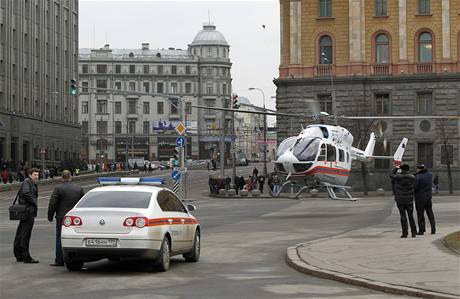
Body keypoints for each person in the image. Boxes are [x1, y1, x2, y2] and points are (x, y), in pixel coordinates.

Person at [47, 170, 85, 266]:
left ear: (62, 177)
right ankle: (74, 258)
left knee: (60, 237)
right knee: (74, 236)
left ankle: (59, 260)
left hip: (61, 217)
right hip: (75, 218)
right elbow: (83, 203)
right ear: (71, 177)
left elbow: (52, 204)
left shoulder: (58, 188)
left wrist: (50, 216)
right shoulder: (78, 188)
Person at [13, 168, 40, 263]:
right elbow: (26, 193)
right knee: (25, 234)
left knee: (21, 233)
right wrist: (34, 202)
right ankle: (26, 257)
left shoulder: (30, 182)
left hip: (27, 211)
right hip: (28, 211)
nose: (37, 176)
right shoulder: (27, 182)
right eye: (35, 175)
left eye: (37, 175)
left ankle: (19, 255)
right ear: (30, 174)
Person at [389, 164, 417, 238]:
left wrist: (396, 168)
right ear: (408, 169)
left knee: (403, 216)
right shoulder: (412, 177)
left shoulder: (398, 177)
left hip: (400, 199)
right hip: (409, 199)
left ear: (402, 169)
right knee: (411, 216)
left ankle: (405, 233)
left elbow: (391, 175)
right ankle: (414, 232)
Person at [414, 164, 436, 235]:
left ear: (419, 169)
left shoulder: (418, 176)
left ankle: (421, 230)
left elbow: (415, 187)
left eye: (417, 169)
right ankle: (433, 229)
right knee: (430, 213)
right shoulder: (430, 175)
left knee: (420, 215)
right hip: (428, 198)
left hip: (420, 198)